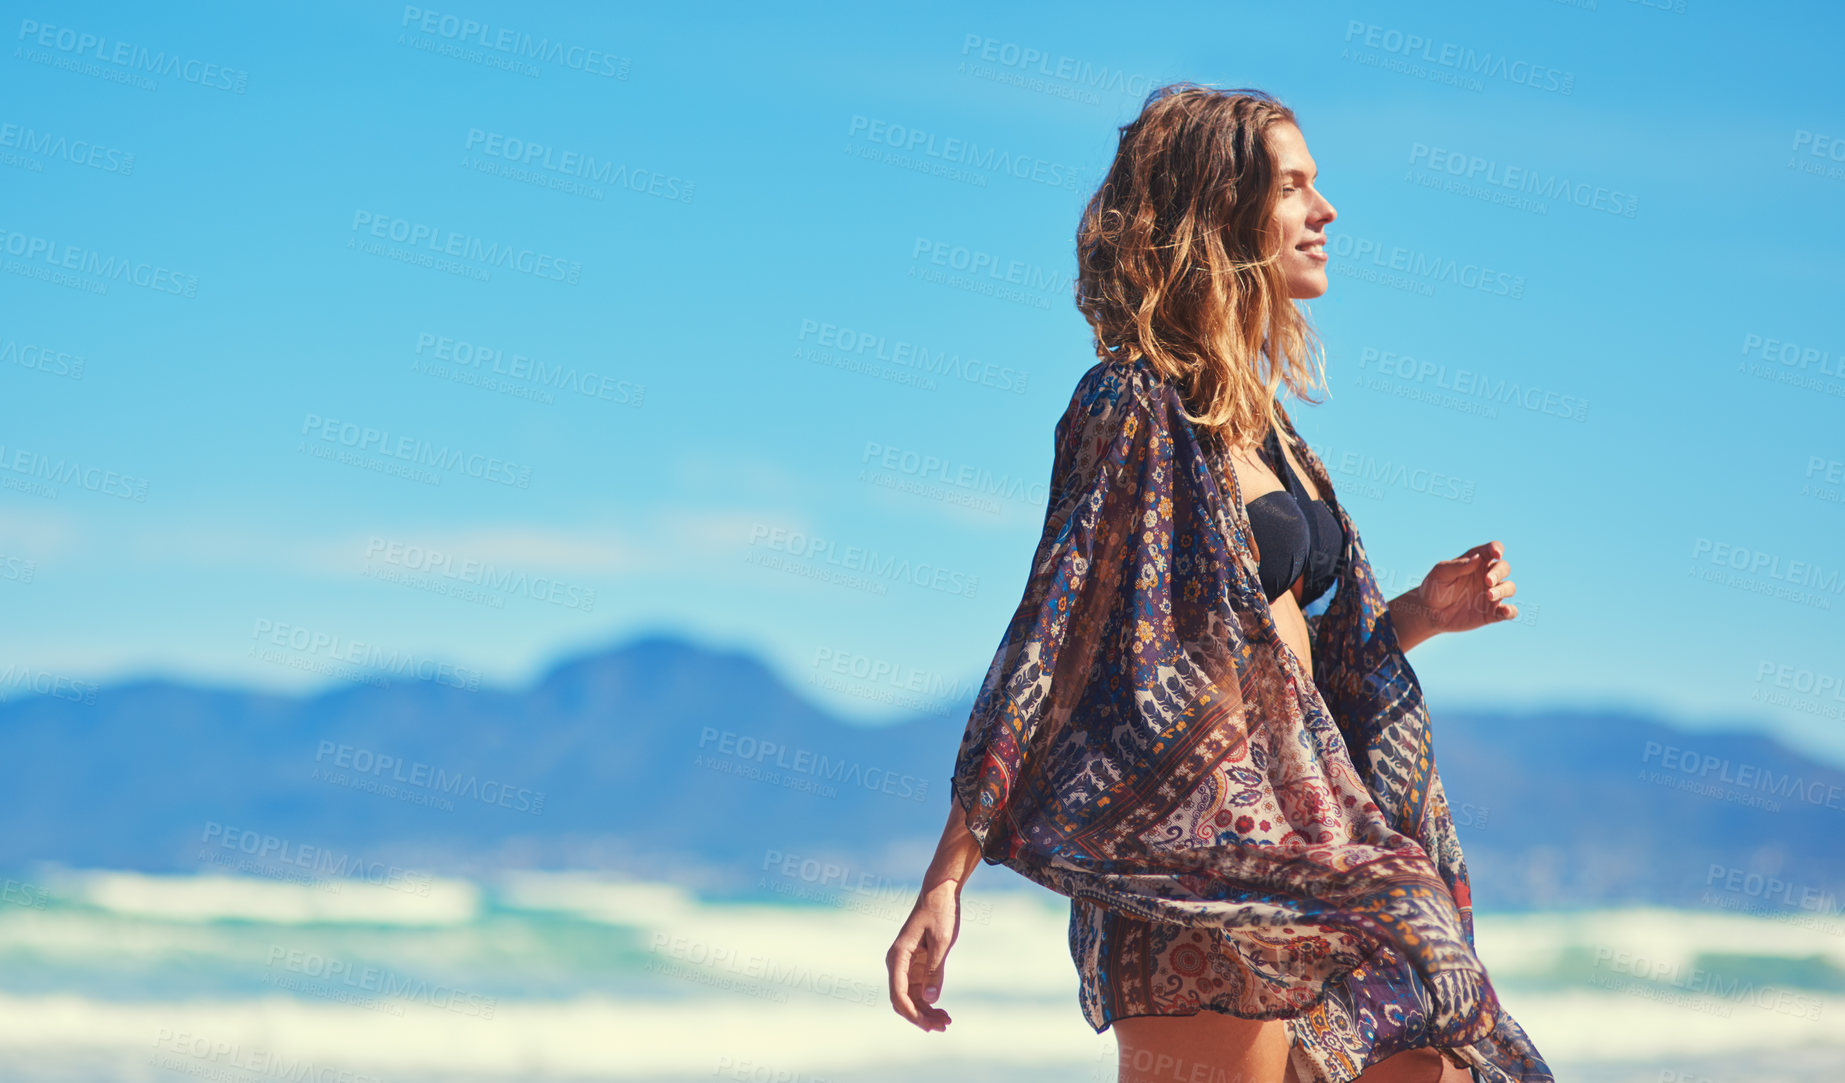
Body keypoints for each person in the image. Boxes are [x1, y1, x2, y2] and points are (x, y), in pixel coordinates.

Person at [883, 83, 1554, 1083]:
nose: (1325, 213)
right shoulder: (1130, 404)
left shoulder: (1274, 433)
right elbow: (1049, 637)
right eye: (1294, 187)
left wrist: (1417, 615)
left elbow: (1293, 673)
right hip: (1192, 874)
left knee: (1443, 1055)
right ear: (1220, 211)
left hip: (1310, 854)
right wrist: (947, 877)